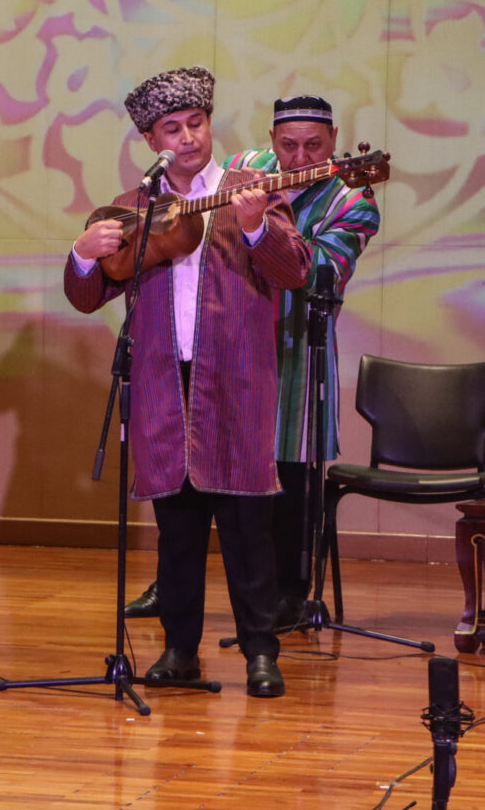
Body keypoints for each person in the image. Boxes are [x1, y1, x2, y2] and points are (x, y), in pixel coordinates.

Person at [66, 66, 310, 698]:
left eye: (195, 124)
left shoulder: (249, 187)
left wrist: (257, 226)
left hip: (234, 381)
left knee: (246, 527)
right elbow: (88, 295)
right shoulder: (135, 206)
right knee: (176, 529)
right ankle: (179, 651)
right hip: (161, 380)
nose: (187, 138)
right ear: (152, 141)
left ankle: (261, 651)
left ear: (209, 123)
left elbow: (293, 270)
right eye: (171, 129)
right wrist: (83, 252)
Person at [123, 96, 380, 628]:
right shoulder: (247, 170)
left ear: (335, 143)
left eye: (313, 145)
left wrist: (269, 231)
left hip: (292, 350)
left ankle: (286, 595)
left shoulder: (352, 202)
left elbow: (326, 274)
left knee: (283, 476)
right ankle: (173, 589)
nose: (297, 156)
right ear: (271, 140)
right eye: (288, 145)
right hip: (225, 345)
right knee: (194, 463)